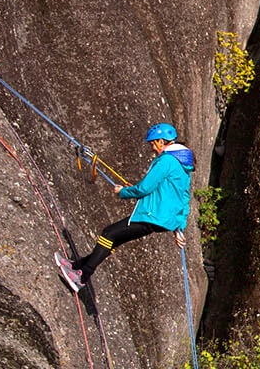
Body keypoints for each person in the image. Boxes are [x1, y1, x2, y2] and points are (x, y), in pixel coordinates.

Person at [55, 123, 193, 291]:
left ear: (161, 141)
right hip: (162, 219)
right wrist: (179, 227)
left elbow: (145, 188)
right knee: (115, 238)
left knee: (109, 233)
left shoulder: (167, 160)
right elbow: (183, 197)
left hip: (152, 215)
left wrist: (124, 192)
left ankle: (82, 276)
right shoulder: (183, 165)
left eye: (153, 144)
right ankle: (78, 265)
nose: (152, 148)